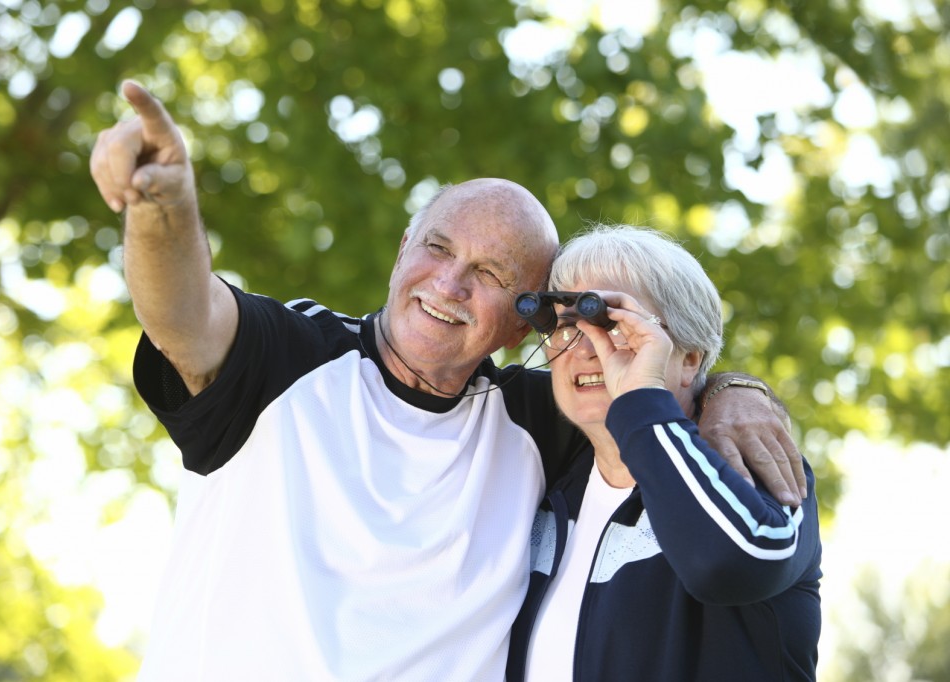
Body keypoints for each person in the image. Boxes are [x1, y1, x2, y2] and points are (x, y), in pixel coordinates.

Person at [89, 81, 807, 681]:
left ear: (525, 325)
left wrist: (730, 390)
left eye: (492, 275)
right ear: (405, 247)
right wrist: (166, 207)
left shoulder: (539, 418)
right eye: (437, 247)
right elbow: (182, 315)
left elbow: (643, 386)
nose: (449, 284)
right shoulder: (286, 358)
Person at [506, 225, 822, 681]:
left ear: (689, 358)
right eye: (563, 325)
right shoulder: (546, 478)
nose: (586, 349)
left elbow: (733, 563)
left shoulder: (751, 464)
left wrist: (640, 398)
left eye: (611, 322)